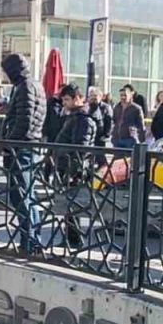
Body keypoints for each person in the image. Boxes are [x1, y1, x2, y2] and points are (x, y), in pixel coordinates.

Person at [0, 54, 45, 253]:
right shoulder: (34, 85)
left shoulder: (25, 87)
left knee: (22, 196)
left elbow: (24, 121)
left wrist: (8, 143)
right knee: (28, 194)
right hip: (29, 146)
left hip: (21, 148)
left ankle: (29, 242)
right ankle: (32, 240)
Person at [53, 84, 97, 249]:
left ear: (77, 99)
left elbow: (80, 149)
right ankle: (71, 237)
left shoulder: (82, 120)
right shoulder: (74, 117)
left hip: (74, 170)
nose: (64, 103)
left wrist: (72, 171)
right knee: (68, 206)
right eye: (63, 99)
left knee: (72, 205)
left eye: (67, 99)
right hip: (68, 167)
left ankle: (75, 239)